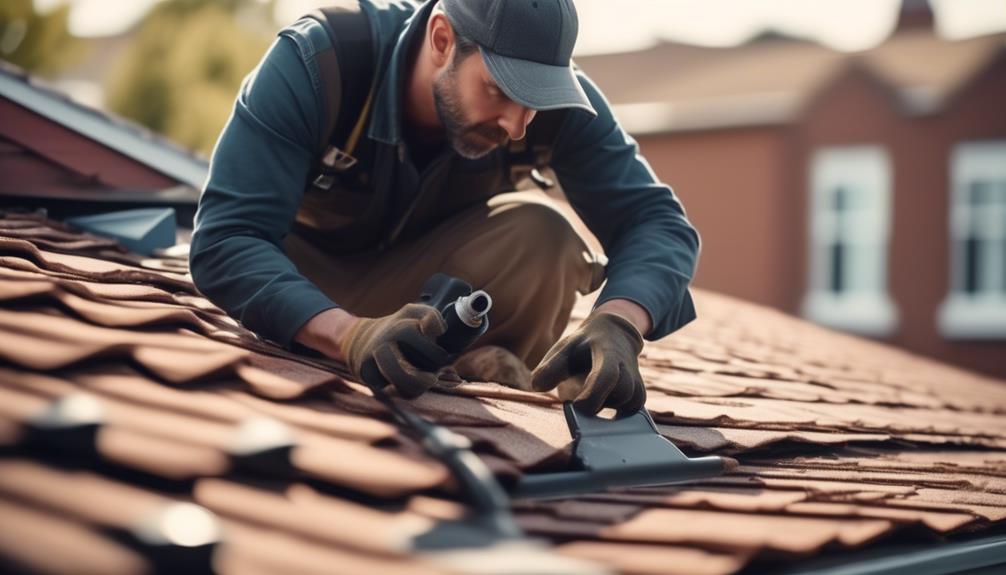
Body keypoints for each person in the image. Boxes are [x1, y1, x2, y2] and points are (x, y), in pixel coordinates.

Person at [190, 0, 700, 416]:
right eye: (501, 90)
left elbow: (656, 222)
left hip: (445, 303)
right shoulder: (318, 62)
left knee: (545, 232)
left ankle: (478, 361)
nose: (518, 124)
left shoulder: (553, 109)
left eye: (536, 99)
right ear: (441, 40)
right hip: (312, 291)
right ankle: (368, 346)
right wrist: (348, 335)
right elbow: (227, 239)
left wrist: (620, 321)